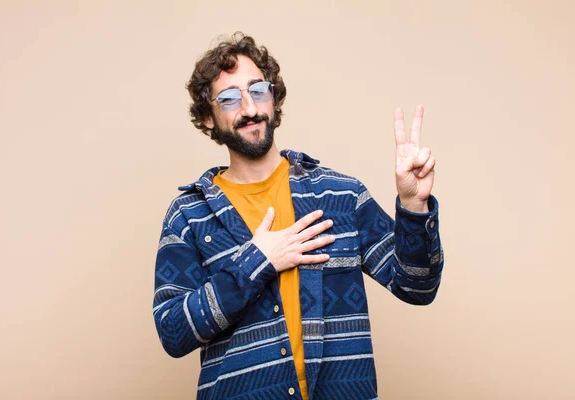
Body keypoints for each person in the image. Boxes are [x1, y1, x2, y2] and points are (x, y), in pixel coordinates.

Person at [153, 33, 444, 400]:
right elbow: (172, 331)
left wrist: (413, 205)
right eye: (229, 98)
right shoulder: (189, 215)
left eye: (258, 90)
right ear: (208, 118)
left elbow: (417, 287)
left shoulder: (340, 196)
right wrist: (257, 262)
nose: (249, 108)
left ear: (274, 100)